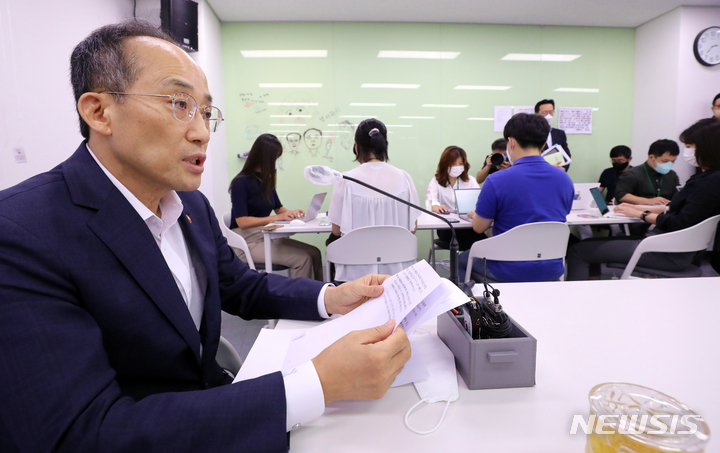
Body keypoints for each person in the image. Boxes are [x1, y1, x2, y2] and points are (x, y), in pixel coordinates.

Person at [0, 22, 411, 452]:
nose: (202, 132)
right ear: (100, 112)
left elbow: (237, 284)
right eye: (179, 103)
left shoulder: (188, 205)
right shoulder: (23, 234)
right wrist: (315, 384)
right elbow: (80, 435)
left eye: (204, 111)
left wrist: (330, 297)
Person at [567, 118, 720, 280]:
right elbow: (682, 210)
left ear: (706, 148)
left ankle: (578, 299)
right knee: (594, 245)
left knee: (578, 250)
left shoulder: (709, 181)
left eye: (690, 147)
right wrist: (640, 209)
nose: (687, 153)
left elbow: (680, 222)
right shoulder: (706, 179)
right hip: (672, 247)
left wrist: (642, 214)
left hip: (666, 251)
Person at [458, 113, 574, 283]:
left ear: (510, 143)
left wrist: (476, 215)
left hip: (507, 268)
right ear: (543, 145)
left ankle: (471, 308)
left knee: (461, 260)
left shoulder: (496, 180)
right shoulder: (564, 179)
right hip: (551, 268)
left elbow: (479, 227)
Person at [328, 118, 420, 282]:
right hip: (398, 274)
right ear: (384, 145)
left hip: (355, 278)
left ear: (356, 147)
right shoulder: (404, 178)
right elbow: (412, 229)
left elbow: (336, 231)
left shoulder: (345, 180)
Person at [229, 133, 323, 280]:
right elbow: (242, 222)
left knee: (315, 252)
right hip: (247, 242)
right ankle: (303, 300)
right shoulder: (241, 183)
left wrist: (291, 213)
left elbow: (279, 208)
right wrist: (277, 217)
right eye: (275, 157)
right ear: (264, 158)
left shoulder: (266, 180)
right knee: (302, 259)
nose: (277, 161)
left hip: (265, 235)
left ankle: (321, 297)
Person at [427, 145, 486, 250]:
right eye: (453, 164)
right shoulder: (436, 181)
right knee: (478, 241)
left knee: (481, 239)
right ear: (445, 164)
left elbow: (480, 201)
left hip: (468, 224)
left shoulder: (470, 180)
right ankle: (465, 263)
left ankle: (466, 263)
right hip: (447, 227)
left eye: (461, 163)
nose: (457, 167)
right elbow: (432, 199)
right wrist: (436, 206)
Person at [614, 139, 680, 206]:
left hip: (664, 213)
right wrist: (648, 201)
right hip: (636, 213)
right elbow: (621, 195)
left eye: (673, 161)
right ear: (651, 157)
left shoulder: (672, 175)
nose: (670, 164)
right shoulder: (632, 174)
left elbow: (677, 196)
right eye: (665, 161)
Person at [535, 99, 571, 171]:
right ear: (536, 114)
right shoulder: (531, 133)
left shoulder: (560, 133)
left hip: (558, 171)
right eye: (544, 112)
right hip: (539, 171)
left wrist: (563, 169)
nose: (549, 115)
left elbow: (566, 154)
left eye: (551, 112)